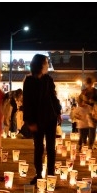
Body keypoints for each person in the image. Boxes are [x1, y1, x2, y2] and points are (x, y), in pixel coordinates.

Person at [22, 53, 62, 185]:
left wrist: (58, 112)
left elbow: (53, 97)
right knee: (38, 147)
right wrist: (29, 121)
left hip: (50, 117)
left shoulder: (48, 80)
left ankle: (51, 174)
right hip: (36, 119)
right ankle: (38, 174)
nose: (47, 66)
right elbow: (27, 102)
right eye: (46, 63)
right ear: (40, 65)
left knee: (51, 147)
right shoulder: (29, 81)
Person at [81, 76, 97, 150]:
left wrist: (94, 101)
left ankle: (91, 144)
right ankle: (85, 143)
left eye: (91, 84)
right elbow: (80, 100)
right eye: (88, 84)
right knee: (85, 128)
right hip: (85, 111)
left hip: (94, 112)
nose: (89, 85)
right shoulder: (84, 91)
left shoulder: (96, 91)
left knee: (93, 129)